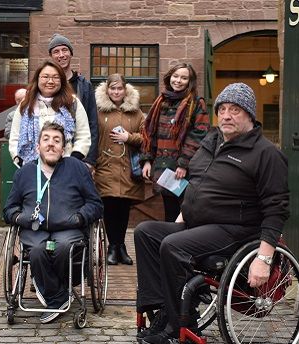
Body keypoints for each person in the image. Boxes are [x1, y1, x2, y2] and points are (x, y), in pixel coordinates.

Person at [134, 83, 289, 344]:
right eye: (223, 109)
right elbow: (195, 182)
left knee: (173, 245)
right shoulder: (212, 140)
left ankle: (179, 327)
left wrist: (264, 259)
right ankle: (161, 311)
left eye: (235, 110)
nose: (227, 115)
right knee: (145, 231)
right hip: (198, 225)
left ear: (250, 115)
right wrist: (185, 214)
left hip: (235, 231)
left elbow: (276, 208)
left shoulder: (266, 153)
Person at [3, 122, 103, 323]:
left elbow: (95, 203)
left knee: (63, 246)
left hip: (69, 228)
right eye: (46, 139)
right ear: (37, 147)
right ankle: (57, 297)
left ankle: (56, 290)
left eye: (57, 140)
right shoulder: (25, 172)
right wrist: (18, 217)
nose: (51, 144)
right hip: (35, 229)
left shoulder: (77, 168)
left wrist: (80, 217)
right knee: (38, 251)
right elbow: (9, 208)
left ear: (64, 148)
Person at [140, 63, 210, 221]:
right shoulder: (161, 101)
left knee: (185, 213)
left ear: (190, 81)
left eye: (184, 78)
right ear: (169, 77)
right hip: (163, 166)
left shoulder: (196, 103)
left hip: (182, 169)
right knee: (169, 214)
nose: (178, 80)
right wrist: (147, 160)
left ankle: (183, 244)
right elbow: (150, 133)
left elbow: (199, 134)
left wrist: (183, 163)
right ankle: (169, 244)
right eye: (176, 76)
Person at [92, 73, 145, 266]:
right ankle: (112, 248)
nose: (116, 92)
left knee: (123, 209)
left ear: (125, 90)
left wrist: (128, 137)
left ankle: (120, 246)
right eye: (112, 88)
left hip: (127, 169)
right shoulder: (98, 112)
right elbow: (92, 139)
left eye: (119, 88)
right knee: (110, 208)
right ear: (107, 90)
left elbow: (146, 137)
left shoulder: (136, 113)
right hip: (106, 167)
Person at [8, 60, 91, 167]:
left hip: (65, 169)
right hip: (31, 168)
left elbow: (83, 135)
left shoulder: (72, 103)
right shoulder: (26, 104)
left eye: (56, 77)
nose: (50, 81)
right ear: (37, 79)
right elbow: (15, 137)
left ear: (62, 81)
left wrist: (72, 161)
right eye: (45, 77)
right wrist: (19, 160)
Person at [48, 33, 99, 168]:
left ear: (71, 53)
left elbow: (92, 123)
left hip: (77, 154)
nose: (61, 55)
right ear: (51, 56)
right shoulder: (45, 84)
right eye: (56, 51)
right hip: (49, 152)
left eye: (65, 50)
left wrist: (89, 160)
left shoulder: (84, 86)